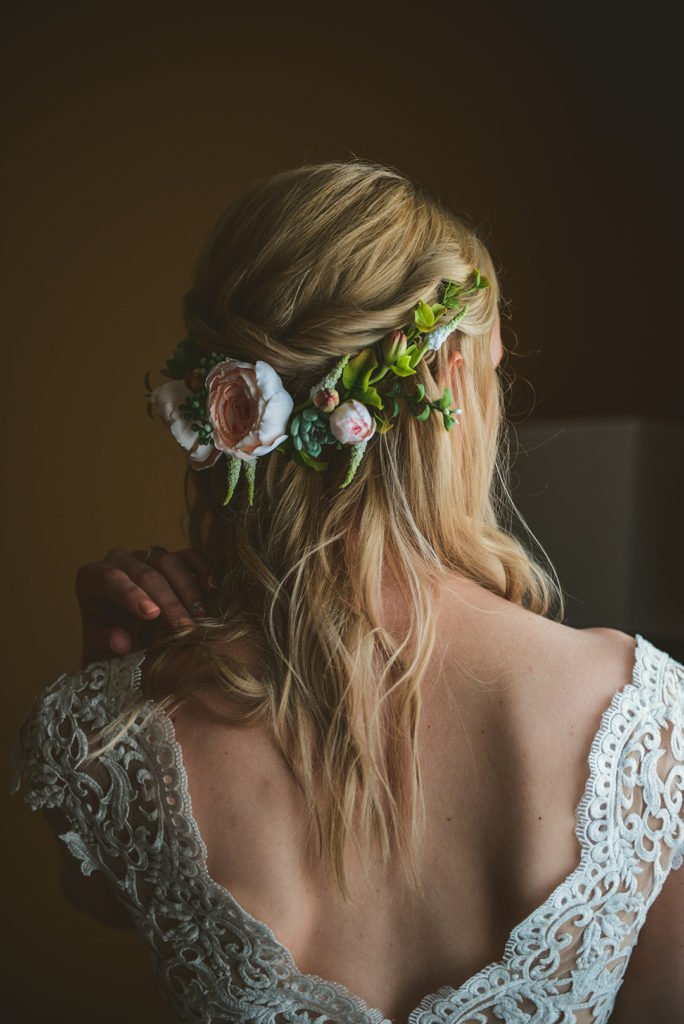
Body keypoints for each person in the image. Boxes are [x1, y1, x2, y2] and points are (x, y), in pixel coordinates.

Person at [13, 162, 683, 1024]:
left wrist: (118, 693)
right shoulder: (643, 725)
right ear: (451, 385)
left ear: (226, 400)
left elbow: (104, 890)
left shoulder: (114, 728)